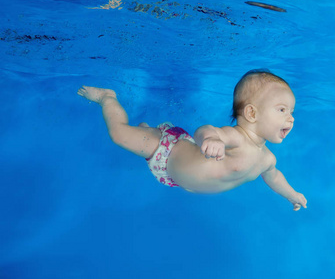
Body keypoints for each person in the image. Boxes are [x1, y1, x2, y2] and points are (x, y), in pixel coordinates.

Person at [77, 70, 307, 211]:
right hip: (165, 150)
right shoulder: (236, 138)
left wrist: (292, 194)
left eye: (292, 111)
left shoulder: (267, 159)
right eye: (282, 110)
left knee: (142, 136)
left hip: (173, 176)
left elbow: (274, 177)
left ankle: (146, 129)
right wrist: (211, 139)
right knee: (119, 134)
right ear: (252, 114)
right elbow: (205, 130)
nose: (291, 118)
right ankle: (107, 98)